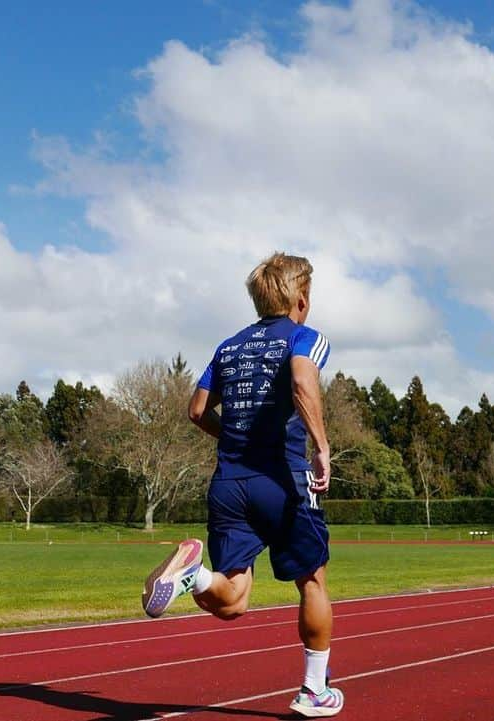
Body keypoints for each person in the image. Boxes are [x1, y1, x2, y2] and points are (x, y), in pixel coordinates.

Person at [141, 252, 343, 718]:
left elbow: (196, 411)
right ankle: (314, 691)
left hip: (229, 483)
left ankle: (192, 575)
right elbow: (300, 381)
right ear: (302, 298)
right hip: (283, 479)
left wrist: (234, 435)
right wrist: (322, 447)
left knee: (231, 599)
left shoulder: (228, 347)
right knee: (312, 580)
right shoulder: (305, 337)